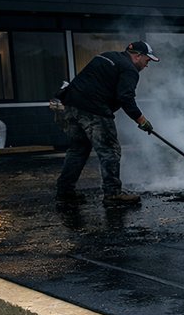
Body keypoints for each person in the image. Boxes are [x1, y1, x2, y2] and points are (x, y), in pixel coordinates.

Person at [54, 40, 158, 207]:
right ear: (138, 56)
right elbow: (125, 97)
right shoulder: (129, 69)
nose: (147, 65)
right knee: (110, 150)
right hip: (93, 109)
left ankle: (65, 192)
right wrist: (142, 120)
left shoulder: (108, 56)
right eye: (147, 61)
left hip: (71, 105)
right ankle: (113, 194)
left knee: (78, 150)